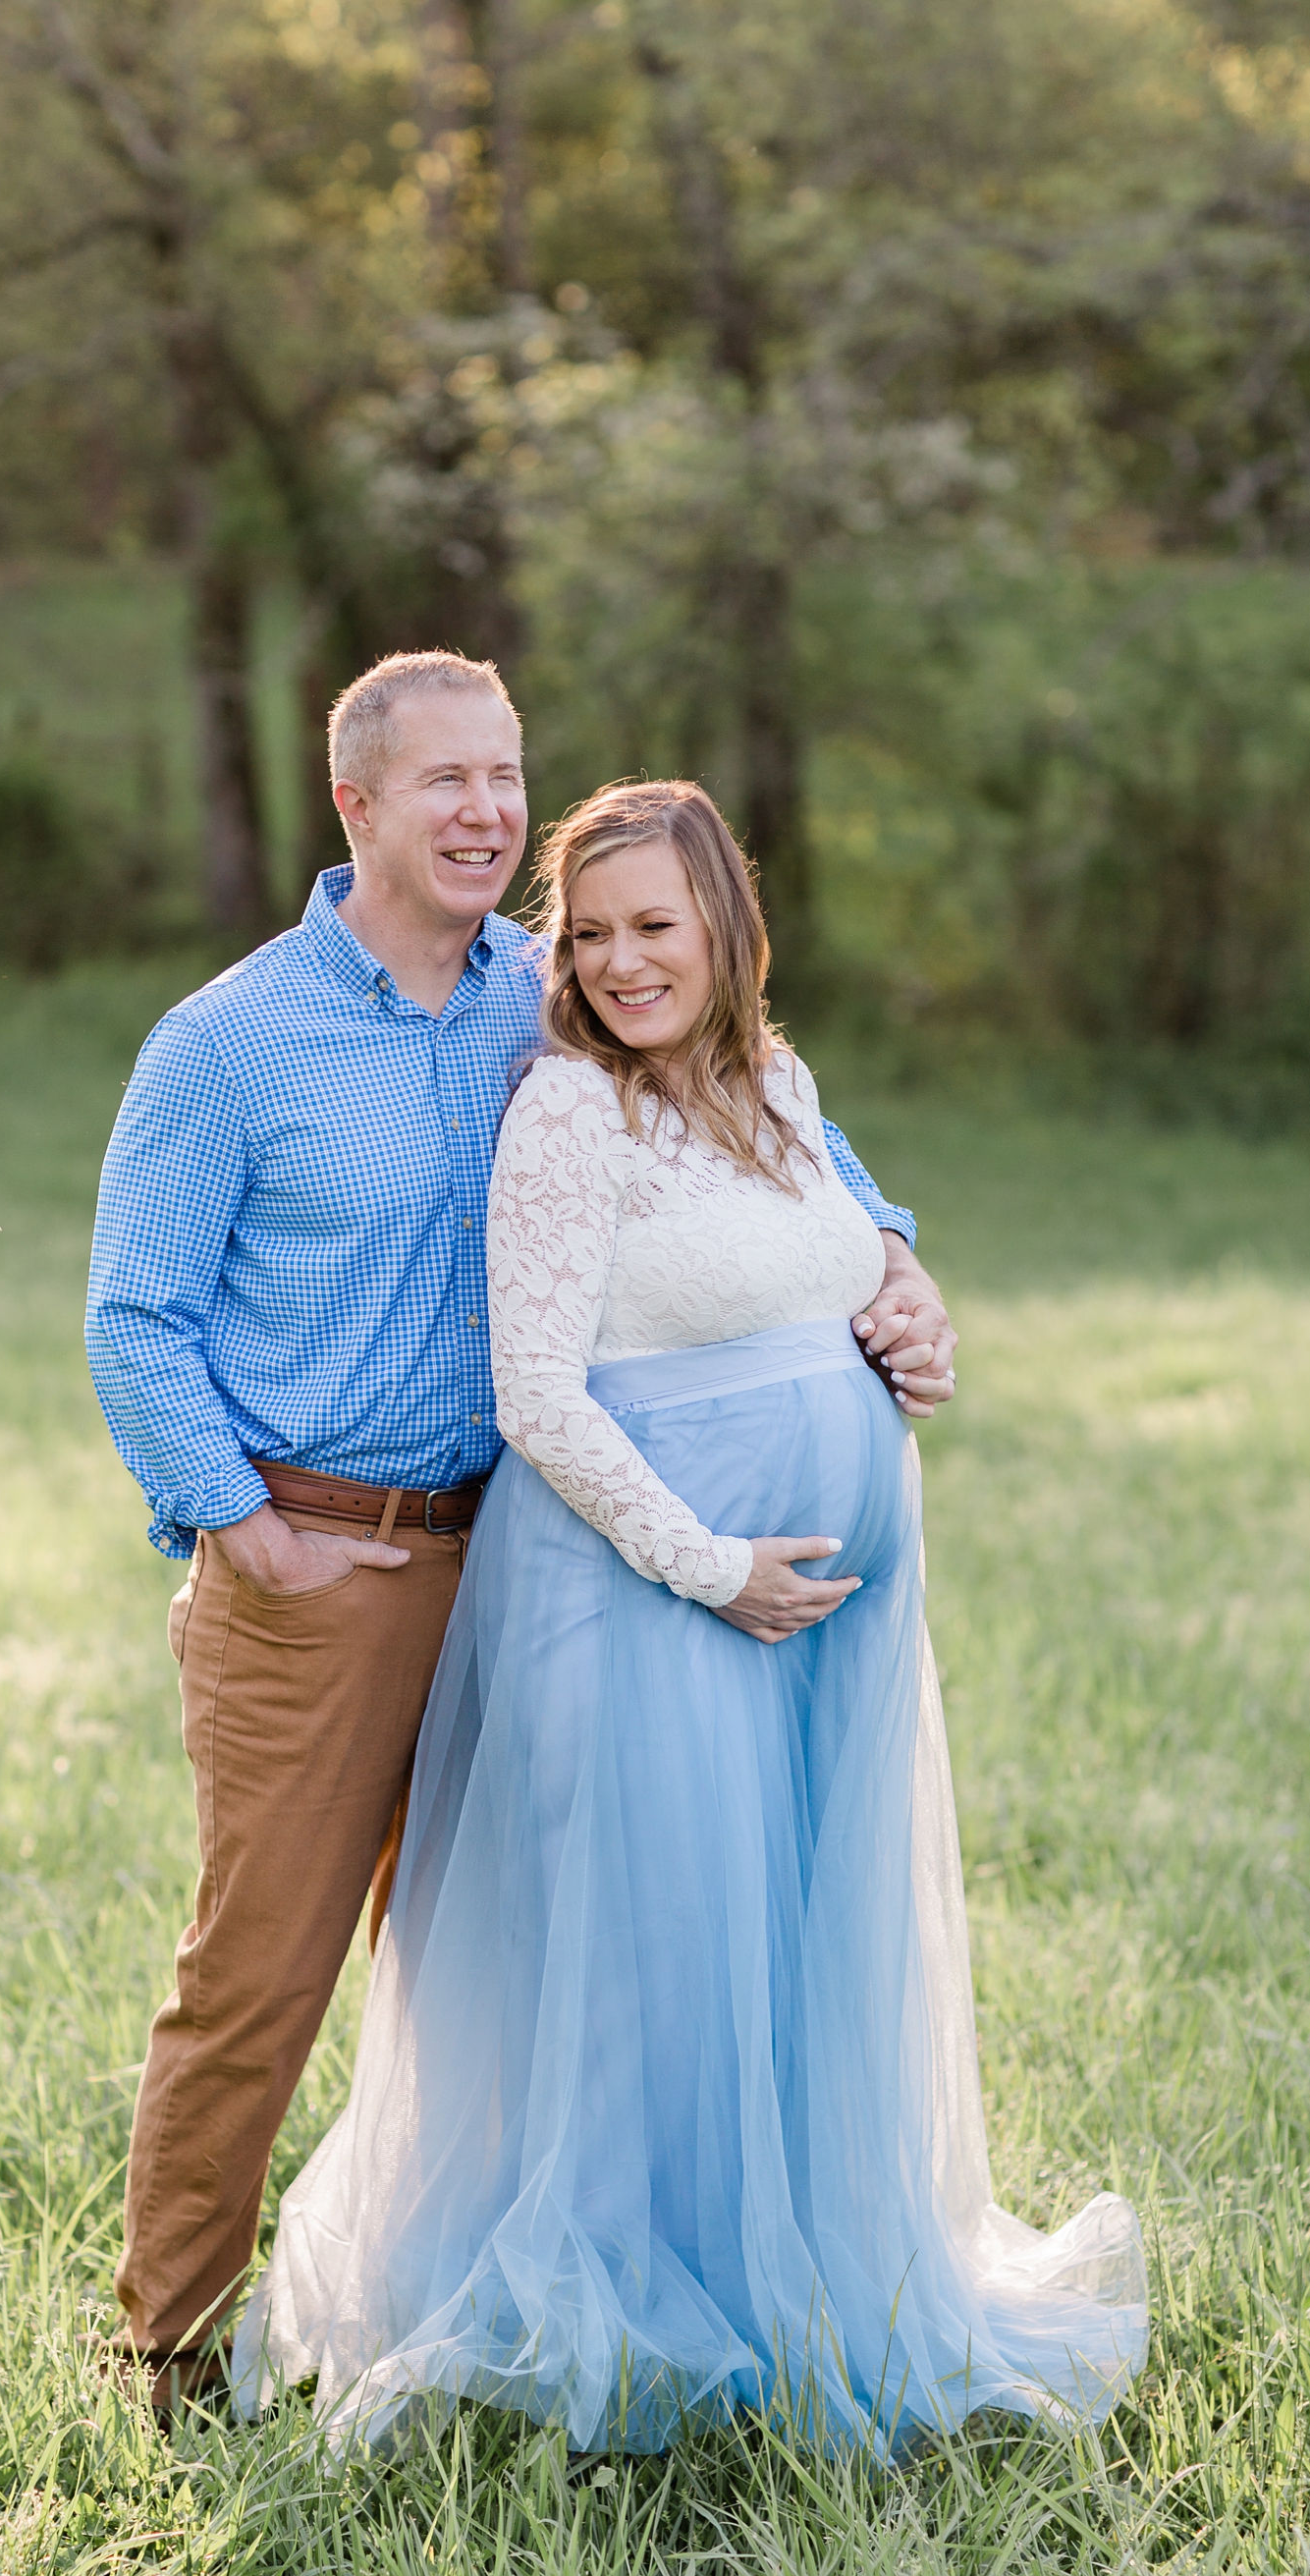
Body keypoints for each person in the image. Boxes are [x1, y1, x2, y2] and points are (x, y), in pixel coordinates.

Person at [233, 778, 1147, 2455]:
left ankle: (797, 2281)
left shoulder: (779, 1088)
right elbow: (539, 1396)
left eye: (656, 927)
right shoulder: (570, 1115)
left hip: (823, 1621)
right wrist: (709, 1565)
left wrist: (911, 1310)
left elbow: (844, 1262)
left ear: (729, 928)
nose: (623, 964)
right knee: (659, 1961)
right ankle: (634, 2315)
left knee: (795, 1949)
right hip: (650, 1592)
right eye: (589, 937)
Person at [85, 654, 955, 2410]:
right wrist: (248, 1533)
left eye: (505, 779)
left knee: (516, 1961)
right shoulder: (229, 1044)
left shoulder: (543, 993)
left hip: (546, 1561)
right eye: (444, 784)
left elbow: (780, 1132)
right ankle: (166, 2352)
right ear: (356, 805)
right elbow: (136, 1317)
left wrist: (903, 1264)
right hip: (326, 1562)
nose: (485, 813)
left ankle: (469, 2305)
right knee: (262, 1975)